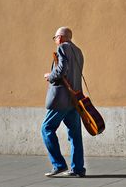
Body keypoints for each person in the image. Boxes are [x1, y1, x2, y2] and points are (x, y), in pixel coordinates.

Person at [41, 26, 86, 177]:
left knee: (46, 129)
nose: (55, 41)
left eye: (55, 38)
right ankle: (77, 169)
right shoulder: (78, 51)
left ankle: (58, 164)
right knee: (75, 135)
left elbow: (61, 71)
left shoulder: (62, 48)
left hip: (61, 100)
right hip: (74, 100)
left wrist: (50, 76)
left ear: (60, 37)